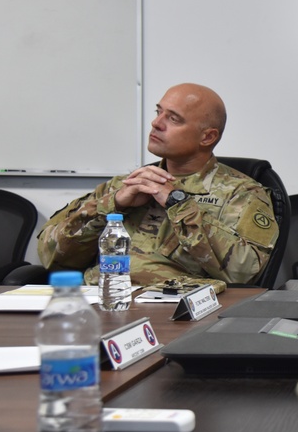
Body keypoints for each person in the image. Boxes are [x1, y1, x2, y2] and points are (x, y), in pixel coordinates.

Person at [38, 83, 279, 289]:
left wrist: (179, 205)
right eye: (158, 112)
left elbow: (245, 273)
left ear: (207, 137)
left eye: (173, 119)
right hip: (99, 302)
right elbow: (50, 256)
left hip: (179, 313)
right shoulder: (126, 185)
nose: (156, 123)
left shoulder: (242, 194)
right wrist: (114, 204)